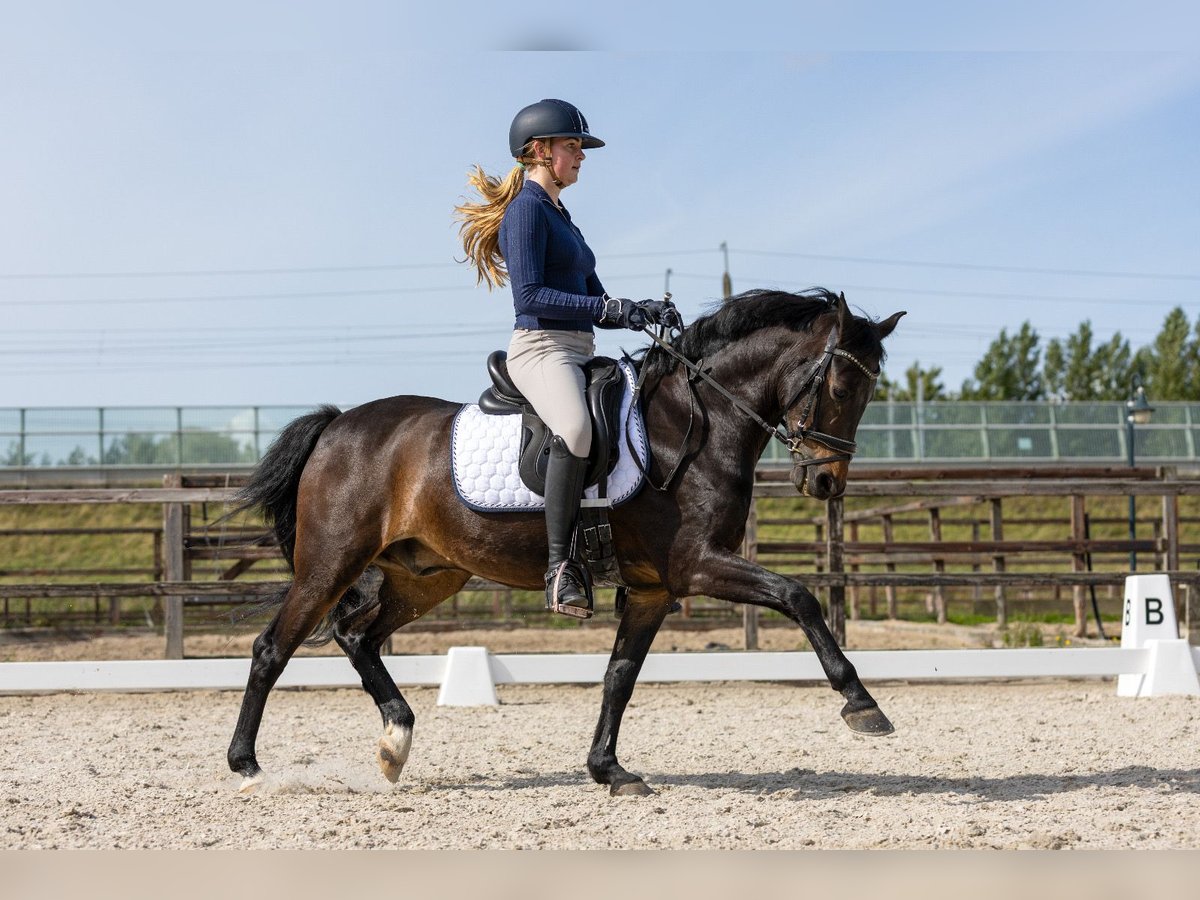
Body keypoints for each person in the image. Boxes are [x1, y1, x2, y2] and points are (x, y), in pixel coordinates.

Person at [455, 98, 676, 616]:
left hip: (581, 348)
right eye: (572, 146)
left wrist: (636, 310)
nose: (581, 156)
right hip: (541, 349)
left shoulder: (563, 217)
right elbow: (530, 296)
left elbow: (597, 301)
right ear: (539, 151)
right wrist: (606, 305)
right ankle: (559, 568)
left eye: (580, 147)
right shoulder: (526, 211)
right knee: (575, 429)